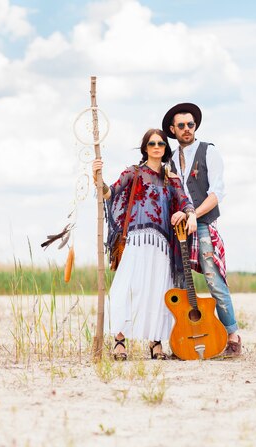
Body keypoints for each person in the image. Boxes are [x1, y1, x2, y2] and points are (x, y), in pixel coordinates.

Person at [92, 128, 197, 360]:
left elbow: (185, 202)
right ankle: (119, 341)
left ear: (165, 148)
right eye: (152, 143)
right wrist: (97, 178)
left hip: (162, 245)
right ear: (145, 148)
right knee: (126, 288)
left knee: (158, 291)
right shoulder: (134, 172)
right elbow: (111, 193)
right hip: (136, 241)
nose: (157, 146)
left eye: (160, 143)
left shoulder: (172, 180)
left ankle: (156, 342)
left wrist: (189, 215)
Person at [162, 103, 242, 357]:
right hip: (179, 229)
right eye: (181, 126)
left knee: (213, 280)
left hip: (204, 224)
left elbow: (217, 192)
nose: (187, 129)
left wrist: (194, 215)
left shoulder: (209, 152)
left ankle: (233, 337)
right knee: (181, 283)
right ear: (173, 130)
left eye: (191, 125)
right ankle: (183, 337)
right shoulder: (170, 159)